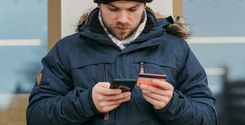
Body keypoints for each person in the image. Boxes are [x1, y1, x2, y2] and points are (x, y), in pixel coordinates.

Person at [27, 0, 217, 125]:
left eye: (132, 9)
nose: (123, 19)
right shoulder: (67, 49)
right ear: (99, 4)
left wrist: (172, 104)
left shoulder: (176, 49)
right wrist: (87, 102)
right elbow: (36, 116)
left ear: (144, 5)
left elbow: (208, 117)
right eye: (113, 8)